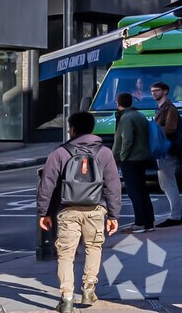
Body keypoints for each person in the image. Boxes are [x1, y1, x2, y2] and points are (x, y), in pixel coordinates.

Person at [39, 110, 120, 313]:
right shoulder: (104, 152)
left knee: (66, 254)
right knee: (94, 247)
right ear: (92, 128)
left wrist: (43, 212)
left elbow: (46, 184)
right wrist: (113, 214)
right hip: (95, 209)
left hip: (67, 210)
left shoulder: (60, 153)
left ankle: (66, 298)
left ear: (72, 129)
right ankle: (88, 288)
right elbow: (113, 185)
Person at [115, 92, 156, 232]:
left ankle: (139, 223)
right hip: (143, 157)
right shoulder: (139, 115)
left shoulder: (126, 117)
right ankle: (149, 222)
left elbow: (127, 140)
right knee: (142, 190)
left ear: (118, 102)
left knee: (134, 192)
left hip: (131, 159)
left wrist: (122, 157)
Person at [154, 82, 182, 225]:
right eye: (152, 91)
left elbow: (171, 128)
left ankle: (176, 215)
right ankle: (176, 214)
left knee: (168, 182)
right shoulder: (161, 108)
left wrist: (154, 131)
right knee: (165, 183)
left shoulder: (169, 108)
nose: (153, 93)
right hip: (164, 150)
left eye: (157, 91)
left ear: (165, 91)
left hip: (168, 150)